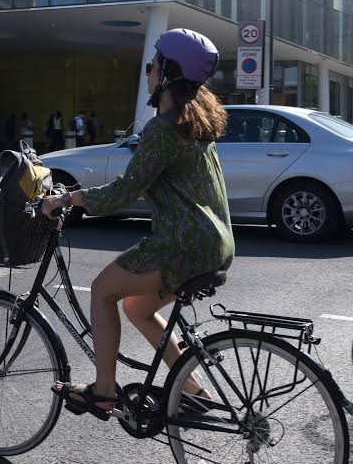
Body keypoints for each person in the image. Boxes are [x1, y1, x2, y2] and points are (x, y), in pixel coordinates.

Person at [41, 29, 234, 419]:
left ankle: (104, 392)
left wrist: (69, 198)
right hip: (215, 242)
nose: (146, 72)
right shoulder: (194, 121)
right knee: (137, 308)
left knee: (101, 289)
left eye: (151, 66)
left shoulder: (163, 129)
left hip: (182, 243)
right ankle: (194, 391)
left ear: (167, 74)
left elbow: (124, 192)